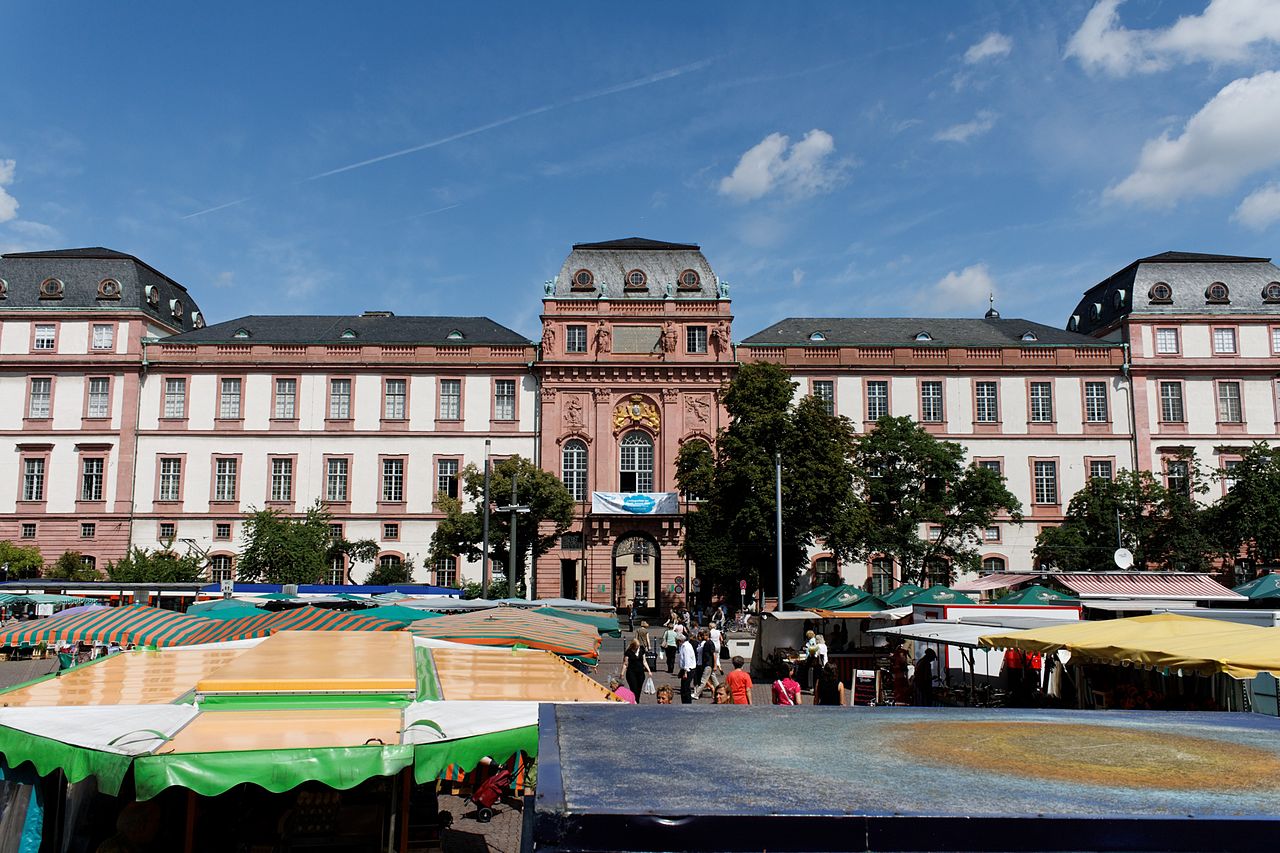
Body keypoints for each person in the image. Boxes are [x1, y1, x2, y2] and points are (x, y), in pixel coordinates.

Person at [697, 629, 721, 697]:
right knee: (714, 680)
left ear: (707, 636)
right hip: (707, 663)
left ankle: (696, 694)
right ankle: (719, 690)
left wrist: (715, 665)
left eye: (704, 635)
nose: (702, 636)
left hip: (708, 664)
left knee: (703, 680)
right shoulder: (707, 643)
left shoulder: (709, 643)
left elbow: (714, 654)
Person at [677, 633, 698, 704]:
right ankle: (685, 701)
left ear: (680, 640)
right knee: (684, 687)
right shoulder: (685, 645)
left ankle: (687, 702)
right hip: (686, 669)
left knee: (685, 688)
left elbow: (687, 659)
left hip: (689, 669)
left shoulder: (686, 647)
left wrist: (685, 671)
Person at [889, 641, 911, 705]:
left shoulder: (899, 653)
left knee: (901, 690)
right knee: (900, 690)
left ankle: (901, 700)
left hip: (900, 676)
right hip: (899, 676)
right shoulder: (899, 654)